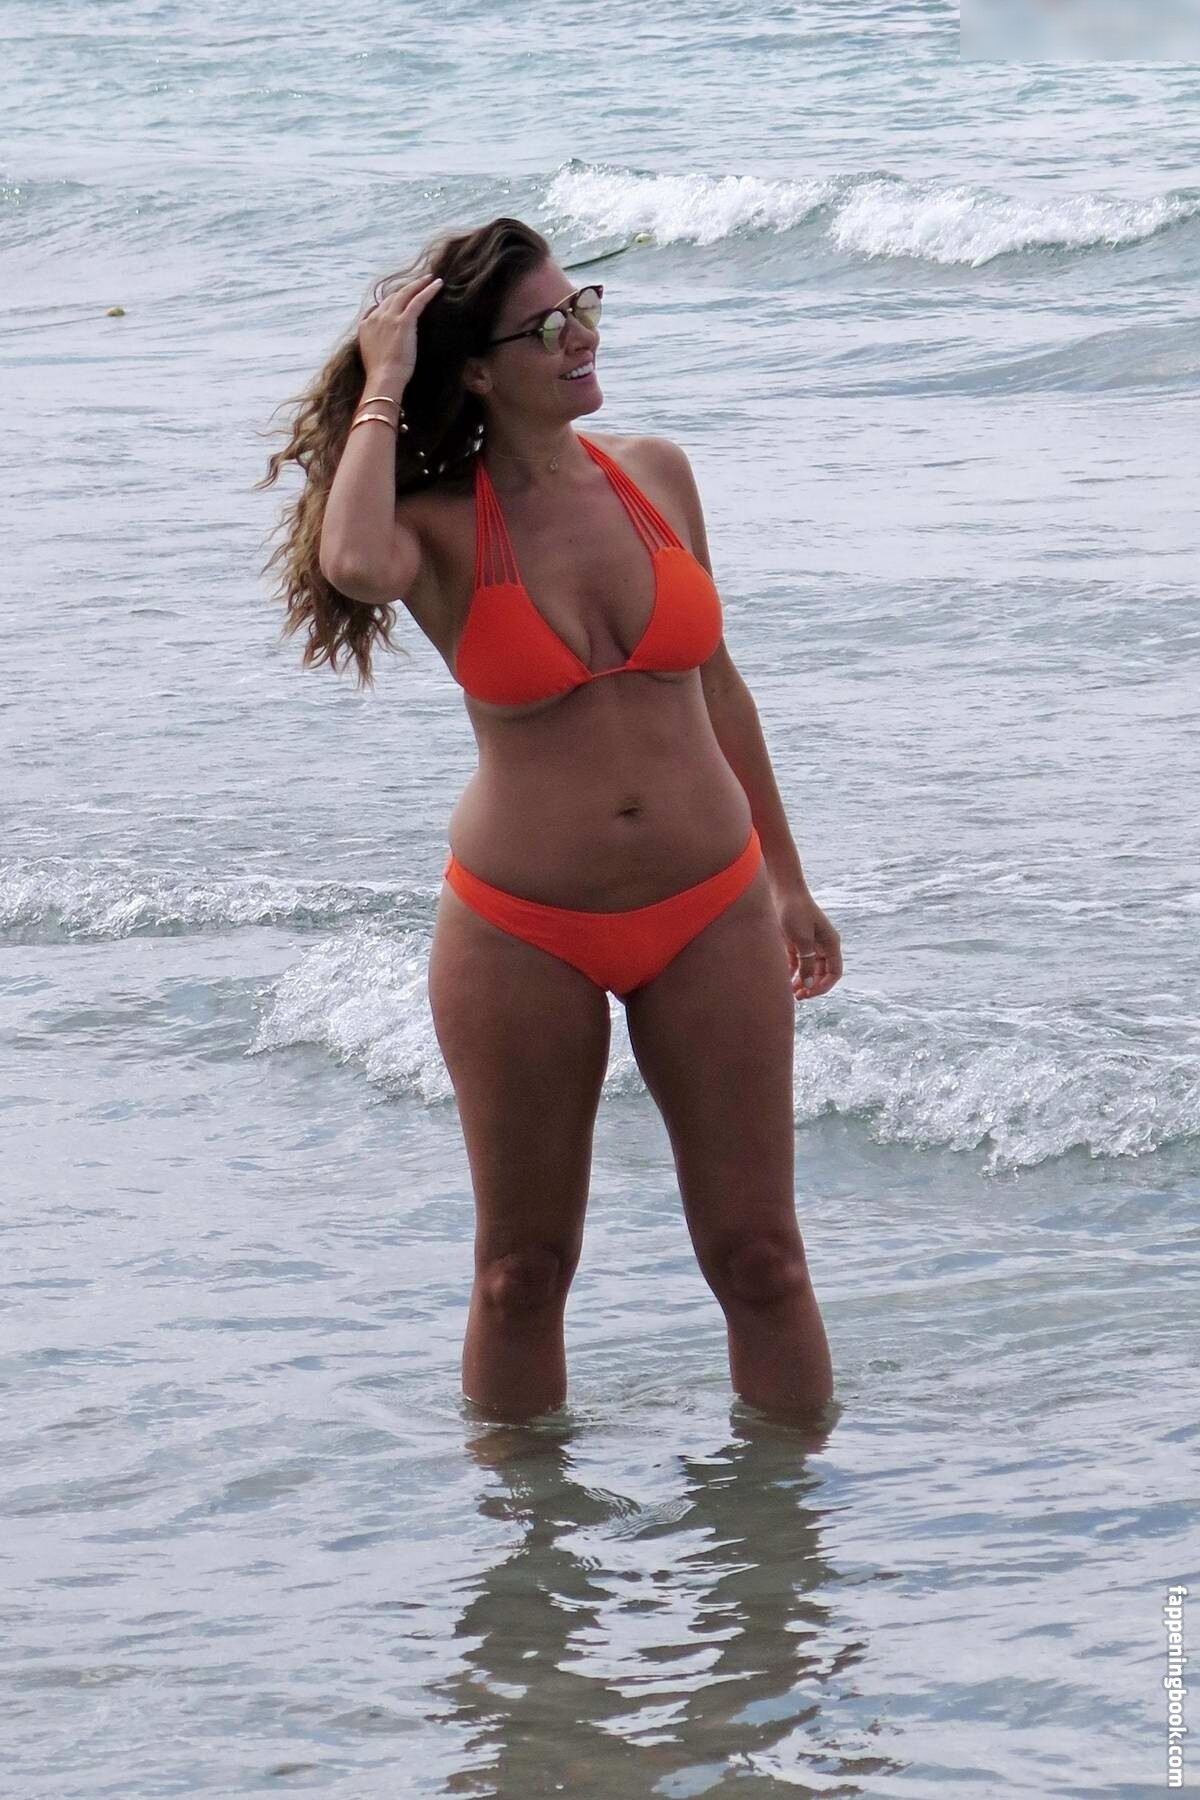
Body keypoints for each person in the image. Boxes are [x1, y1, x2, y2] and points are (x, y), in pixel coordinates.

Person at [258, 217, 842, 1425]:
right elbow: (353, 563)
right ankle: (526, 1544)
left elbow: (722, 690)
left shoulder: (656, 474)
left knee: (764, 1261)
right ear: (476, 372)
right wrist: (383, 378)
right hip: (522, 928)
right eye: (547, 328)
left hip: (712, 902)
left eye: (586, 308)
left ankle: (786, 1538)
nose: (582, 337)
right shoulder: (435, 526)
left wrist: (787, 879)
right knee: (520, 1275)